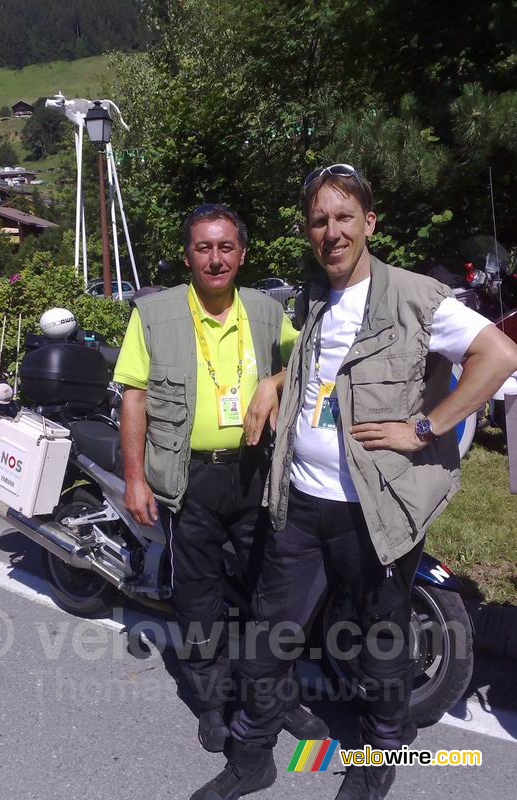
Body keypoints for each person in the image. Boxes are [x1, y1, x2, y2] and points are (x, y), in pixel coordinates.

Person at [191, 166, 517, 800]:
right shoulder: (315, 298)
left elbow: (499, 357)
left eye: (344, 218)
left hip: (375, 512)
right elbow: (320, 369)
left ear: (369, 224)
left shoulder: (416, 297)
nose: (331, 231)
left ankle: (378, 755)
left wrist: (425, 428)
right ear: (310, 232)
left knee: (380, 646)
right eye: (319, 220)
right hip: (304, 501)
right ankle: (252, 756)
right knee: (269, 636)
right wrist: (273, 382)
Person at [114, 203, 326, 754]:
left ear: (242, 253)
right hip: (190, 479)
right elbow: (133, 396)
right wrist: (135, 478)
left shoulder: (263, 309)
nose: (215, 258)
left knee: (273, 595)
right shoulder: (154, 313)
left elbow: (308, 358)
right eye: (204, 247)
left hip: (255, 472)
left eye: (226, 247)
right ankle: (210, 704)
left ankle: (276, 699)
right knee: (199, 599)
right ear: (188, 255)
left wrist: (272, 382)